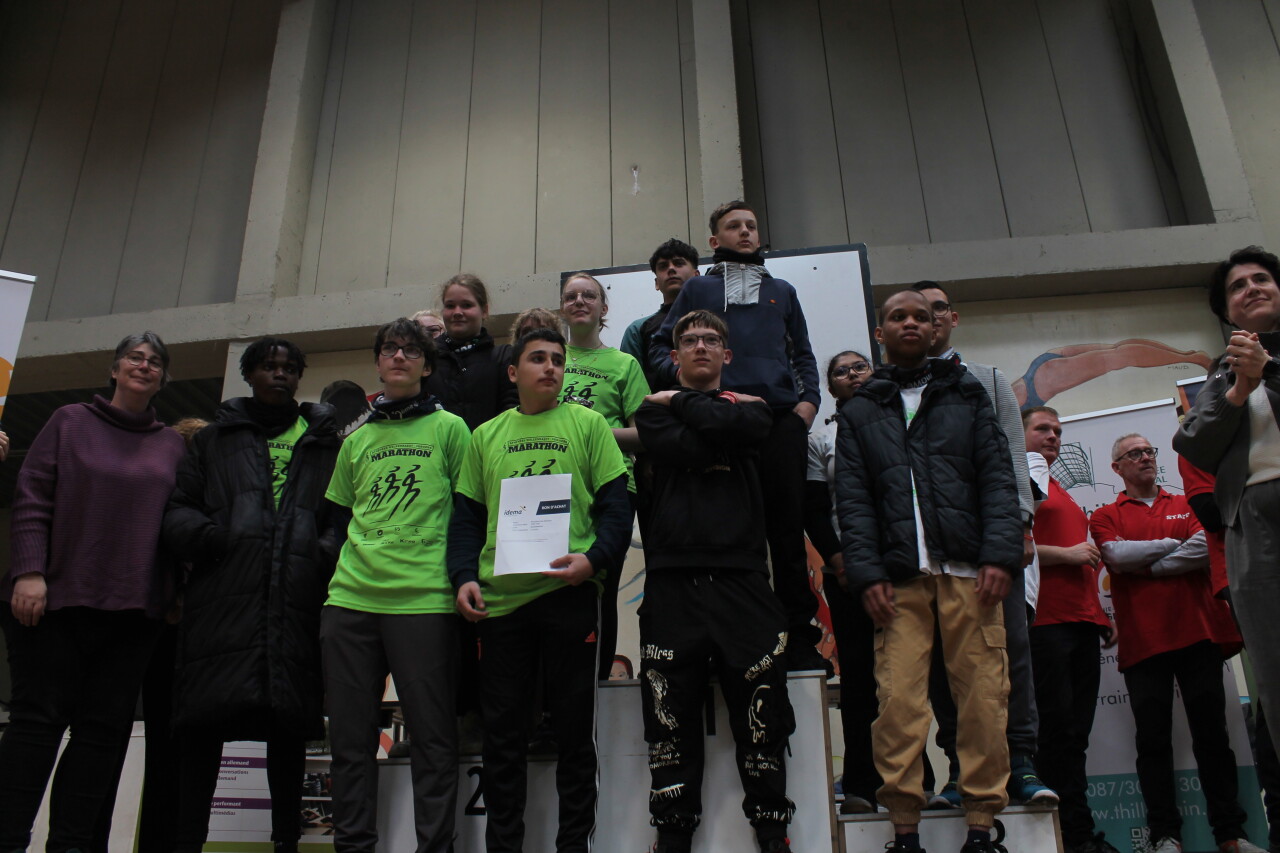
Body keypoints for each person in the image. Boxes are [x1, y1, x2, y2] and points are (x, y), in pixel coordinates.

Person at [835, 289, 1021, 853]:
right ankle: (904, 831)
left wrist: (1000, 556)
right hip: (899, 582)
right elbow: (853, 500)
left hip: (970, 574)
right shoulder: (861, 408)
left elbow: (997, 479)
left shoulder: (967, 393)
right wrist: (867, 575)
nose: (911, 323)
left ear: (937, 326)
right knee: (898, 704)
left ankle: (982, 826)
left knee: (983, 698)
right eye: (898, 317)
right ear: (880, 333)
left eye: (921, 315)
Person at [448, 328, 631, 853]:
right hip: (502, 607)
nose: (550, 367)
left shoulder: (589, 424)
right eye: (537, 359)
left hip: (570, 597)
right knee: (503, 740)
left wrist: (593, 560)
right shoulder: (485, 436)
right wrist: (463, 576)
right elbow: (466, 520)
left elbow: (617, 508)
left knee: (574, 735)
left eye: (557, 359)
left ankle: (573, 846)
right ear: (513, 372)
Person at [0, 332, 185, 853]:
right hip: (53, 601)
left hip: (134, 613)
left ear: (163, 378)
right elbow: (32, 496)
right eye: (135, 358)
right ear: (115, 368)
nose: (144, 366)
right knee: (37, 725)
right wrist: (29, 571)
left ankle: (71, 846)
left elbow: (176, 523)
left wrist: (173, 594)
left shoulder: (171, 445)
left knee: (102, 735)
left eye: (154, 362)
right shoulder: (70, 421)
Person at [163, 337, 341, 853]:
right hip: (222, 603)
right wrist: (216, 538)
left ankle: (286, 842)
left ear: (299, 377)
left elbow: (342, 515)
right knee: (203, 734)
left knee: (287, 735)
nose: (279, 374)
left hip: (296, 601)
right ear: (249, 375)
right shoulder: (212, 440)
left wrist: (319, 551)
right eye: (267, 366)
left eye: (289, 367)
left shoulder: (325, 443)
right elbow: (177, 510)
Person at [636, 309, 796, 853]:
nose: (700, 346)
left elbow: (740, 429)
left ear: (727, 355)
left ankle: (772, 831)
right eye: (690, 340)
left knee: (763, 708)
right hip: (671, 578)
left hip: (743, 576)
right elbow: (691, 447)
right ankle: (672, 835)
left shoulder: (753, 409)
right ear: (674, 355)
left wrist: (680, 402)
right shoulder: (650, 413)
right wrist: (719, 421)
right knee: (668, 712)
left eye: (710, 340)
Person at [648, 200, 825, 673]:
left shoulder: (783, 291)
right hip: (716, 423)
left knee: (787, 533)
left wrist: (807, 406)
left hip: (779, 422)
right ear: (715, 240)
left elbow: (803, 355)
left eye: (751, 225)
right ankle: (747, 637)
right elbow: (662, 346)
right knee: (733, 533)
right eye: (733, 226)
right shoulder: (698, 288)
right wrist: (688, 388)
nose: (745, 232)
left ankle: (800, 640)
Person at [321, 319, 471, 853]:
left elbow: (468, 513)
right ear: (378, 362)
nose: (400, 357)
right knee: (349, 743)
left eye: (411, 351)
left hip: (424, 600)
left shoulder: (451, 429)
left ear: (427, 366)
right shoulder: (356, 439)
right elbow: (337, 519)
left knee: (432, 739)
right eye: (390, 349)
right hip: (350, 601)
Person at [910, 281, 1052, 808]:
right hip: (929, 550)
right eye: (918, 311)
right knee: (943, 661)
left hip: (990, 540)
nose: (929, 318)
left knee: (1010, 648)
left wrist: (1020, 525)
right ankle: (960, 767)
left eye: (938, 309)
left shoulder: (988, 379)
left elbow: (1013, 455)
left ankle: (1021, 762)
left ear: (952, 318)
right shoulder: (889, 388)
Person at [1090, 433, 1257, 853]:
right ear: (1117, 468)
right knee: (1152, 742)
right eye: (1134, 454)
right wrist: (1170, 545)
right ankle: (1165, 835)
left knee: (1213, 737)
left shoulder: (1187, 503)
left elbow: (1204, 549)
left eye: (1149, 451)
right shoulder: (1105, 515)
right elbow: (1116, 558)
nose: (1145, 458)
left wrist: (1148, 565)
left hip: (1199, 634)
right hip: (1143, 643)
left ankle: (1230, 835)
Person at [1174, 245, 1280, 732]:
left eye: (1261, 279)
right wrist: (1239, 388)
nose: (1251, 289)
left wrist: (1268, 369)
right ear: (1227, 311)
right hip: (1249, 519)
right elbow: (1193, 443)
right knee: (1271, 660)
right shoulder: (1222, 372)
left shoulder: (1260, 361)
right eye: (1238, 286)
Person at [1021, 406, 1120, 853]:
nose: (1053, 437)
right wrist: (1067, 555)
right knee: (1055, 733)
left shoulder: (1058, 488)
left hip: (1080, 621)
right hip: (1044, 622)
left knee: (1076, 736)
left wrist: (1098, 617)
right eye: (1042, 429)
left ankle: (1078, 833)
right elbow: (1008, 543)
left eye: (1058, 431)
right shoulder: (1020, 481)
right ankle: (1065, 837)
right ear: (1018, 432)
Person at [802, 350, 881, 814]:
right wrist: (840, 562)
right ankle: (862, 784)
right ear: (830, 388)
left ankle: (918, 779)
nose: (852, 375)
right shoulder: (820, 439)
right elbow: (814, 510)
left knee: (908, 678)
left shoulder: (899, 425)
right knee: (859, 679)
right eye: (841, 371)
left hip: (901, 572)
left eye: (860, 367)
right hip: (846, 575)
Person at [560, 270, 647, 678]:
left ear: (603, 308)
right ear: (562, 308)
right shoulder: (549, 358)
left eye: (588, 295)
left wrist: (591, 433)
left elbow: (643, 434)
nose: (579, 301)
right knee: (554, 584)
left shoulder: (624, 364)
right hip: (553, 484)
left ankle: (597, 685)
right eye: (571, 296)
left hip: (612, 487)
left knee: (601, 586)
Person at [426, 273, 519, 432]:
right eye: (450, 306)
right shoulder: (426, 360)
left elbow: (512, 411)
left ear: (484, 311)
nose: (457, 312)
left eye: (466, 305)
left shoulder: (503, 357)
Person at [620, 237, 700, 391]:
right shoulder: (638, 329)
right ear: (656, 283)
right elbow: (630, 386)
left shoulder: (717, 321)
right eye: (663, 266)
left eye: (678, 263)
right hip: (659, 405)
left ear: (697, 276)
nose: (671, 269)